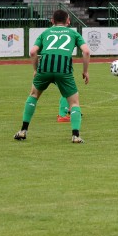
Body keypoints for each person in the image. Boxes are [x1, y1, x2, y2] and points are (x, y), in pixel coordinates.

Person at [13, 9, 90, 143]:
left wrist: (36, 69)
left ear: (52, 21)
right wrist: (85, 71)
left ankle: (23, 131)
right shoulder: (73, 33)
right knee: (74, 103)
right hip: (63, 70)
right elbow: (86, 52)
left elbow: (32, 52)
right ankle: (76, 136)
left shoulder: (46, 32)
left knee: (33, 95)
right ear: (68, 21)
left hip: (45, 68)